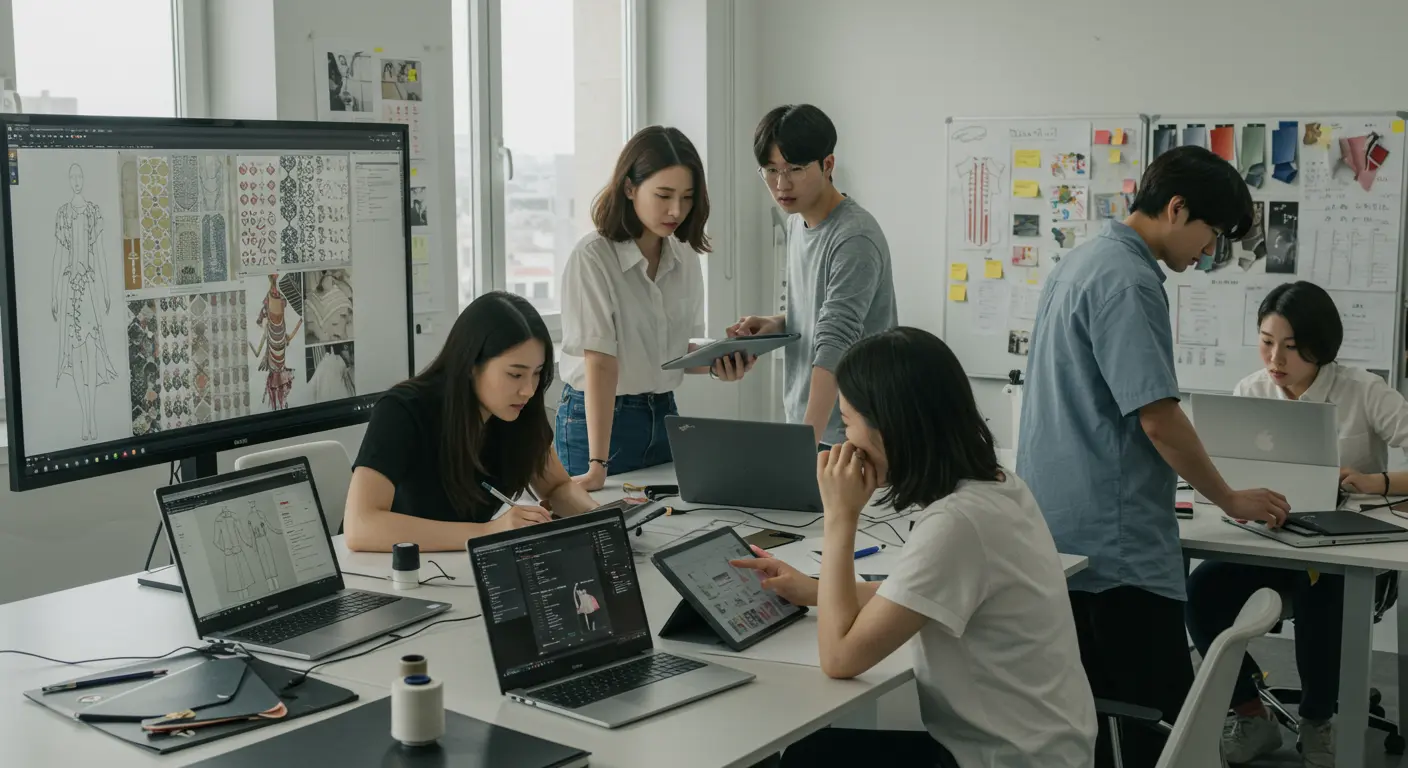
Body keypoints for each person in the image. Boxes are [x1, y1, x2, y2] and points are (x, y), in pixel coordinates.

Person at [1015, 145, 1291, 768]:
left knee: (1092, 722)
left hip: (1061, 531)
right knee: (1158, 730)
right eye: (1211, 235)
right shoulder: (1132, 279)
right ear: (1176, 208)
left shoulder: (1080, 261)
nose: (1208, 252)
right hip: (1118, 550)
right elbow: (1159, 419)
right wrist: (1229, 499)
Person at [734, 328, 1096, 768]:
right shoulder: (997, 486)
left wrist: (840, 517)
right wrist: (814, 590)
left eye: (847, 423)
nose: (844, 442)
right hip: (1043, 752)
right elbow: (920, 593)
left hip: (1002, 760)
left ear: (889, 426)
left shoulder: (957, 524)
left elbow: (839, 658)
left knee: (804, 759)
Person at [1185, 281, 1408, 767]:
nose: (1275, 358)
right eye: (1266, 341)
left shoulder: (1363, 389)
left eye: (1290, 346)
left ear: (1320, 346)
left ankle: (1317, 721)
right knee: (1201, 590)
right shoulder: (1251, 391)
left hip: (1344, 555)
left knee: (1323, 590)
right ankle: (1249, 711)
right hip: (1271, 543)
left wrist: (1377, 481)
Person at [557, 126, 750, 490]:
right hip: (597, 422)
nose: (676, 210)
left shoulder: (684, 257)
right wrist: (598, 463)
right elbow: (600, 362)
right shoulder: (593, 257)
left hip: (662, 414)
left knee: (669, 526)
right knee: (599, 536)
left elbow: (671, 353)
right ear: (629, 187)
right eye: (663, 195)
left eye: (687, 197)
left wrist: (718, 362)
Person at [345, 291, 599, 552]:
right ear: (470, 364)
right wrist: (488, 532)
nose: (528, 390)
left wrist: (606, 517)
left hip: (458, 567)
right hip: (385, 571)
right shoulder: (402, 411)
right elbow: (361, 526)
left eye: (536, 373)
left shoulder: (517, 410)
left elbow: (557, 486)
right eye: (515, 374)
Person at [728, 104, 897, 447]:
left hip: (853, 435)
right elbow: (817, 314)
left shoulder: (854, 237)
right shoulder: (797, 222)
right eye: (770, 170)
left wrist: (802, 444)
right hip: (814, 425)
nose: (781, 184)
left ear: (828, 164)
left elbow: (836, 342)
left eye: (795, 169)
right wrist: (775, 324)